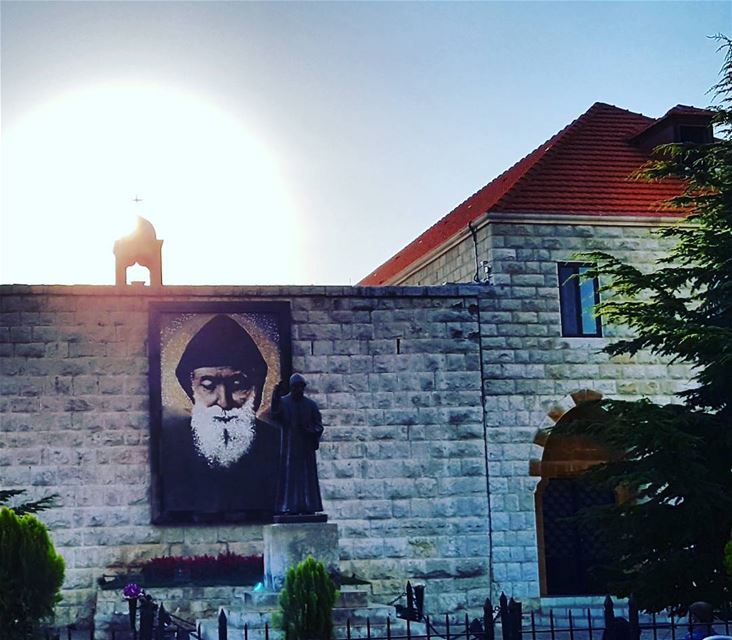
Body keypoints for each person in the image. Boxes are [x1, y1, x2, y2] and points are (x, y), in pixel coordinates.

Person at [158, 314, 279, 521]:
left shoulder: (277, 444)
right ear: (192, 389)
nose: (223, 401)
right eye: (208, 385)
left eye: (238, 385)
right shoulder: (171, 445)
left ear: (256, 389)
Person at [271, 373, 324, 515]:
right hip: (290, 448)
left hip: (305, 449)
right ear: (291, 387)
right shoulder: (284, 402)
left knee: (307, 479)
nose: (298, 390)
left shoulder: (311, 405)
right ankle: (288, 507)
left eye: (301, 387)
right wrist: (275, 398)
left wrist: (310, 431)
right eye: (295, 387)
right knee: (290, 478)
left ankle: (308, 506)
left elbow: (319, 425)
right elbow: (275, 415)